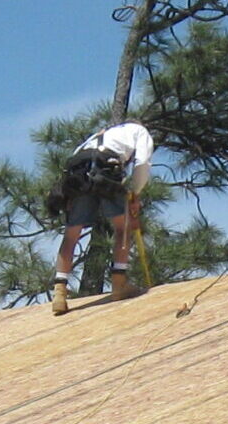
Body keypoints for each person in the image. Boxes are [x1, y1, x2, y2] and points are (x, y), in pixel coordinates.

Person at [43, 120, 153, 315]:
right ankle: (119, 283)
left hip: (78, 174)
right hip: (105, 170)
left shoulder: (99, 135)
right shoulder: (139, 131)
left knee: (71, 234)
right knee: (123, 227)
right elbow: (142, 163)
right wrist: (135, 194)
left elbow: (74, 158)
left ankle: (59, 292)